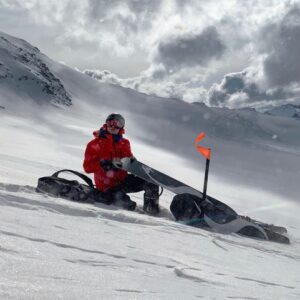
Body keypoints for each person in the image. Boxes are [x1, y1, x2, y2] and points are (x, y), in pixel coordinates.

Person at [83, 113, 160, 214]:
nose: (113, 126)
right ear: (106, 124)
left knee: (151, 183)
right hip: (107, 187)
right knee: (129, 206)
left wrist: (133, 163)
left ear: (122, 126)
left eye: (117, 124)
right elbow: (87, 167)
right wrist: (104, 164)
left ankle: (152, 212)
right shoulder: (94, 144)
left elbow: (128, 160)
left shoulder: (125, 143)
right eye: (110, 123)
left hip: (122, 181)